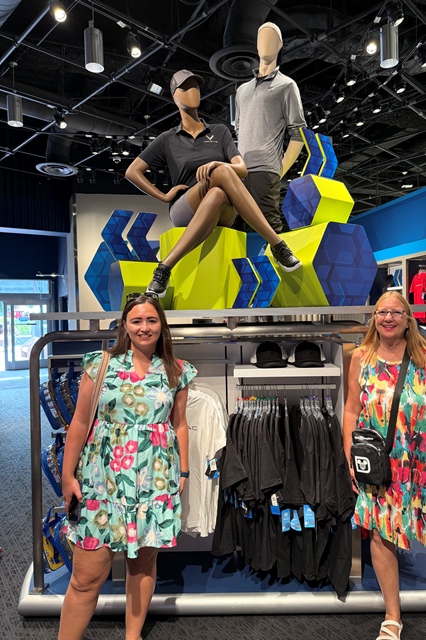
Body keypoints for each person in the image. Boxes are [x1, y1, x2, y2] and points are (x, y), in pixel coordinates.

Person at [59, 293, 197, 640]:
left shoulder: (176, 370)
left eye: (151, 320)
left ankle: (132, 637)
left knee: (143, 565)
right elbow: (79, 422)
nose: (144, 327)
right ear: (125, 325)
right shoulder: (100, 364)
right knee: (86, 576)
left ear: (161, 325)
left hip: (154, 481)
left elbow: (180, 424)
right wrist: (67, 474)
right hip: (101, 481)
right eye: (136, 321)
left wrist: (183, 470)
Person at [343, 291, 426, 640]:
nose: (388, 318)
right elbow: (351, 410)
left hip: (425, 467)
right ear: (374, 318)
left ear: (407, 318)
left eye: (395, 312)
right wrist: (351, 458)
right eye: (381, 312)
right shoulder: (360, 357)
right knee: (381, 537)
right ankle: (392, 616)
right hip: (380, 469)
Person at [125, 69, 301, 298]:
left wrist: (218, 163)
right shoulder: (167, 138)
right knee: (221, 176)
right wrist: (164, 196)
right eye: (185, 87)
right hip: (185, 206)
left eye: (195, 86)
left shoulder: (219, 131)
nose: (192, 91)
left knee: (219, 189)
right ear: (175, 97)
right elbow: (132, 172)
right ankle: (278, 245)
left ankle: (164, 268)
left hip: (223, 209)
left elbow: (242, 169)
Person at [235, 22, 306, 233]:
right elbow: (239, 129)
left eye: (272, 39)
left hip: (266, 170)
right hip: (239, 171)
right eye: (262, 39)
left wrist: (280, 169)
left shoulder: (287, 85)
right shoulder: (241, 90)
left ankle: (282, 255)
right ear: (256, 45)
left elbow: (298, 133)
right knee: (235, 228)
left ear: (280, 45)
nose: (266, 43)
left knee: (270, 228)